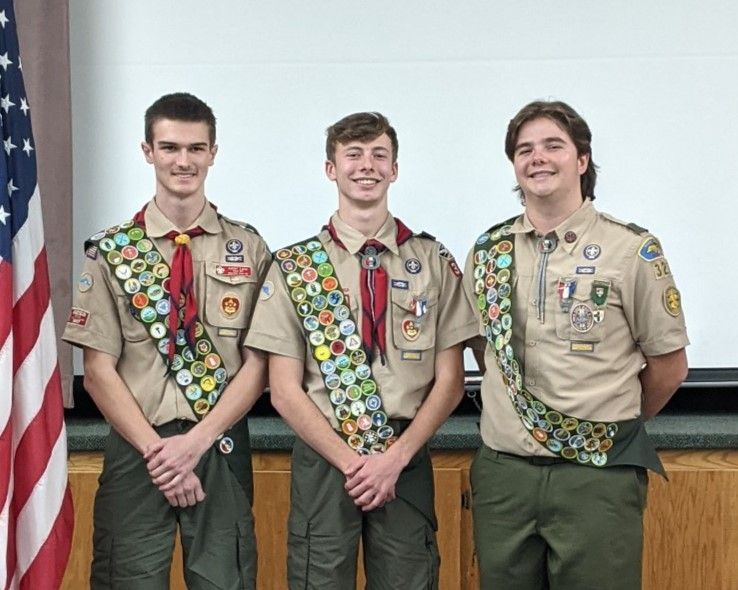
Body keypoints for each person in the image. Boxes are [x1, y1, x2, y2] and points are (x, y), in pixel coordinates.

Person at [463, 99, 689, 589]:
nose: (537, 157)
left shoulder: (631, 249)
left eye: (552, 146)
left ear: (582, 161)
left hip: (596, 476)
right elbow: (486, 351)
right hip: (506, 477)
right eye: (524, 149)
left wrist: (596, 427)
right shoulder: (488, 252)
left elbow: (669, 366)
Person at [245, 112, 478, 589]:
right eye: (353, 154)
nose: (366, 165)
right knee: (318, 579)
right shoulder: (295, 266)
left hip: (405, 452)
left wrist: (392, 461)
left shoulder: (432, 260)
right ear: (331, 168)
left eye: (378, 155)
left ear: (394, 169)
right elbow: (285, 391)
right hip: (326, 454)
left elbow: (451, 381)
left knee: (409, 580)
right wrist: (357, 465)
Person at [62, 92, 270, 589]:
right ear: (147, 150)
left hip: (217, 443)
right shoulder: (112, 252)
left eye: (196, 149)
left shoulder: (250, 246)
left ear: (213, 153)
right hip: (139, 450)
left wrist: (193, 444)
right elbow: (98, 370)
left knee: (227, 581)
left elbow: (258, 366)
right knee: (126, 580)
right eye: (171, 147)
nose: (184, 161)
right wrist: (161, 453)